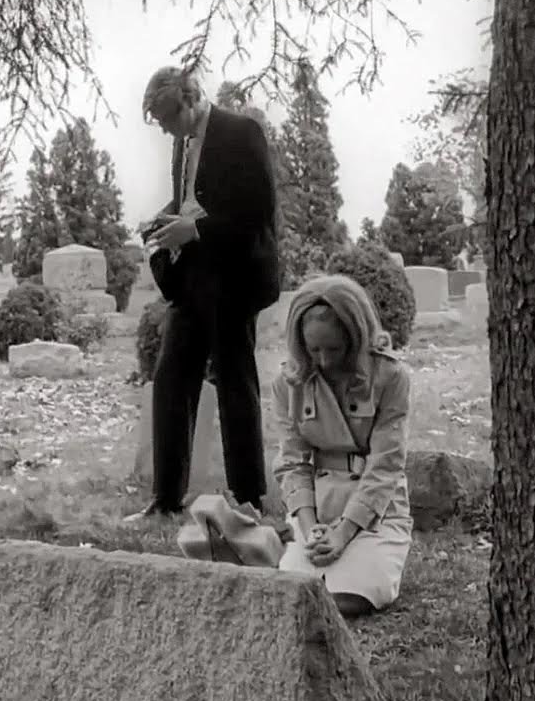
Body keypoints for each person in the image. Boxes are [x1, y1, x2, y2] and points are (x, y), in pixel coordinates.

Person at [126, 65, 281, 522]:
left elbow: (258, 213)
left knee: (235, 383)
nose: (164, 129)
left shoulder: (242, 133)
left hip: (235, 277)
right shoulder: (183, 144)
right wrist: (164, 221)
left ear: (190, 100)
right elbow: (192, 201)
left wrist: (192, 229)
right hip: (193, 280)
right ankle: (166, 499)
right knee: (171, 379)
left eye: (167, 118)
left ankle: (250, 497)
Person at [270, 274, 413, 617]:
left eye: (334, 349)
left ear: (356, 336)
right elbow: (293, 461)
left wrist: (345, 531)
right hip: (316, 506)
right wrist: (310, 529)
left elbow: (386, 463)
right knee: (298, 595)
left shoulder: (389, 377)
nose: (324, 360)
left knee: (353, 596)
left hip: (375, 509)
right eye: (313, 349)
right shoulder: (289, 382)